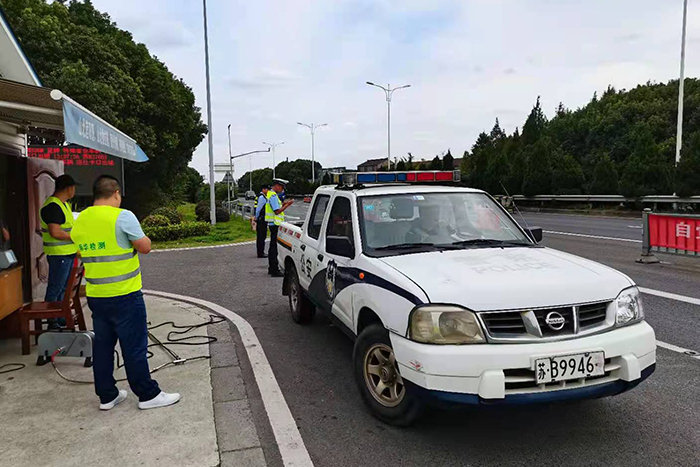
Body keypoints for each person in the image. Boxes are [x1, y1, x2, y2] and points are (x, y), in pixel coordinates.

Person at [71, 175, 180, 411]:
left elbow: (80, 252)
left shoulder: (79, 220)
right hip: (125, 295)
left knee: (103, 347)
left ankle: (107, 395)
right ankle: (147, 394)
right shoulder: (123, 216)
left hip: (96, 295)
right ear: (116, 193)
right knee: (134, 347)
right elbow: (145, 247)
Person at [40, 174, 79, 329]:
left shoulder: (64, 205)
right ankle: (52, 321)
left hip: (67, 253)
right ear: (69, 188)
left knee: (63, 288)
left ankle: (61, 315)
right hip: (58, 254)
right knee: (55, 287)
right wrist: (76, 237)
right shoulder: (53, 206)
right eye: (73, 187)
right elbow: (55, 232)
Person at [265, 178, 294, 277]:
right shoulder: (273, 196)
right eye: (282, 187)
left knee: (272, 247)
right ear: (277, 186)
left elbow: (277, 206)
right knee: (274, 248)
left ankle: (271, 268)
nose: (282, 190)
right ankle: (274, 269)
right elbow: (277, 211)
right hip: (275, 224)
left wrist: (284, 204)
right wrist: (288, 205)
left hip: (273, 223)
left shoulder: (271, 194)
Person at [253, 185, 270, 258]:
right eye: (267, 189)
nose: (268, 191)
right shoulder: (262, 197)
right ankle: (260, 253)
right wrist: (256, 217)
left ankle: (261, 252)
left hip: (261, 219)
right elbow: (258, 209)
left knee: (261, 236)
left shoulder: (261, 196)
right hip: (261, 219)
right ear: (263, 189)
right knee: (261, 236)